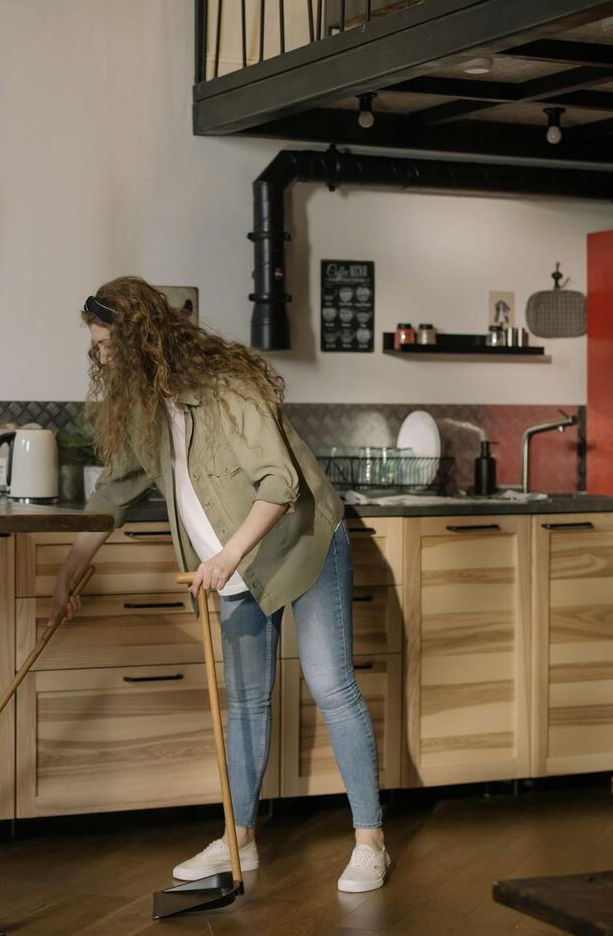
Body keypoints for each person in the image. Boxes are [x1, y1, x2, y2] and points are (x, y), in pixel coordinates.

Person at [50, 276, 390, 893]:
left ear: (138, 340)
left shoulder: (229, 388)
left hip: (300, 546)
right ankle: (239, 840)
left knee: (331, 686)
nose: (99, 355)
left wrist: (228, 556)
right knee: (248, 704)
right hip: (227, 567)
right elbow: (112, 496)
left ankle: (370, 842)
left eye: (105, 344)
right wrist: (65, 577)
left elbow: (280, 483)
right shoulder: (142, 409)